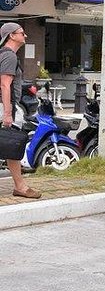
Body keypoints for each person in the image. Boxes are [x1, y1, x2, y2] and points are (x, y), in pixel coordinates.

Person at [0, 22, 41, 198]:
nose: (25, 36)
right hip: (5, 106)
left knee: (10, 146)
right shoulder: (9, 56)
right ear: (11, 35)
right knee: (13, 144)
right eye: (22, 33)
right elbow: (5, 84)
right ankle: (20, 187)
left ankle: (20, 185)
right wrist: (8, 113)